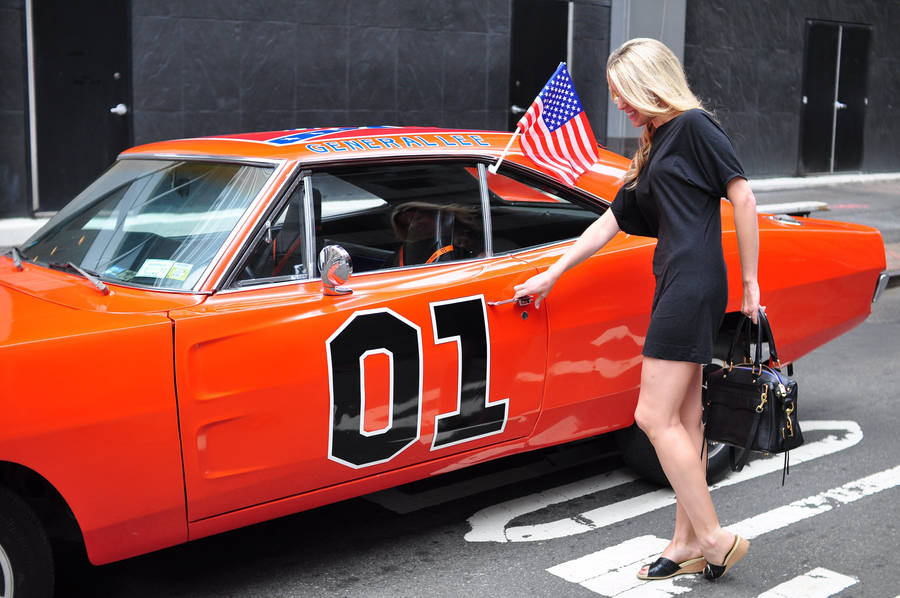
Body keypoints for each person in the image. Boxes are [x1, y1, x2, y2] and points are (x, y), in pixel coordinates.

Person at [513, 38, 759, 582]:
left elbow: (742, 196)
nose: (619, 105)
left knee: (651, 415)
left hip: (693, 282)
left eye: (624, 93)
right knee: (686, 417)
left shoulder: (693, 126)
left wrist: (750, 284)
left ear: (651, 82)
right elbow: (612, 218)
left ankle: (714, 537)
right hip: (677, 278)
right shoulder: (656, 138)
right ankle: (685, 540)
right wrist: (553, 272)